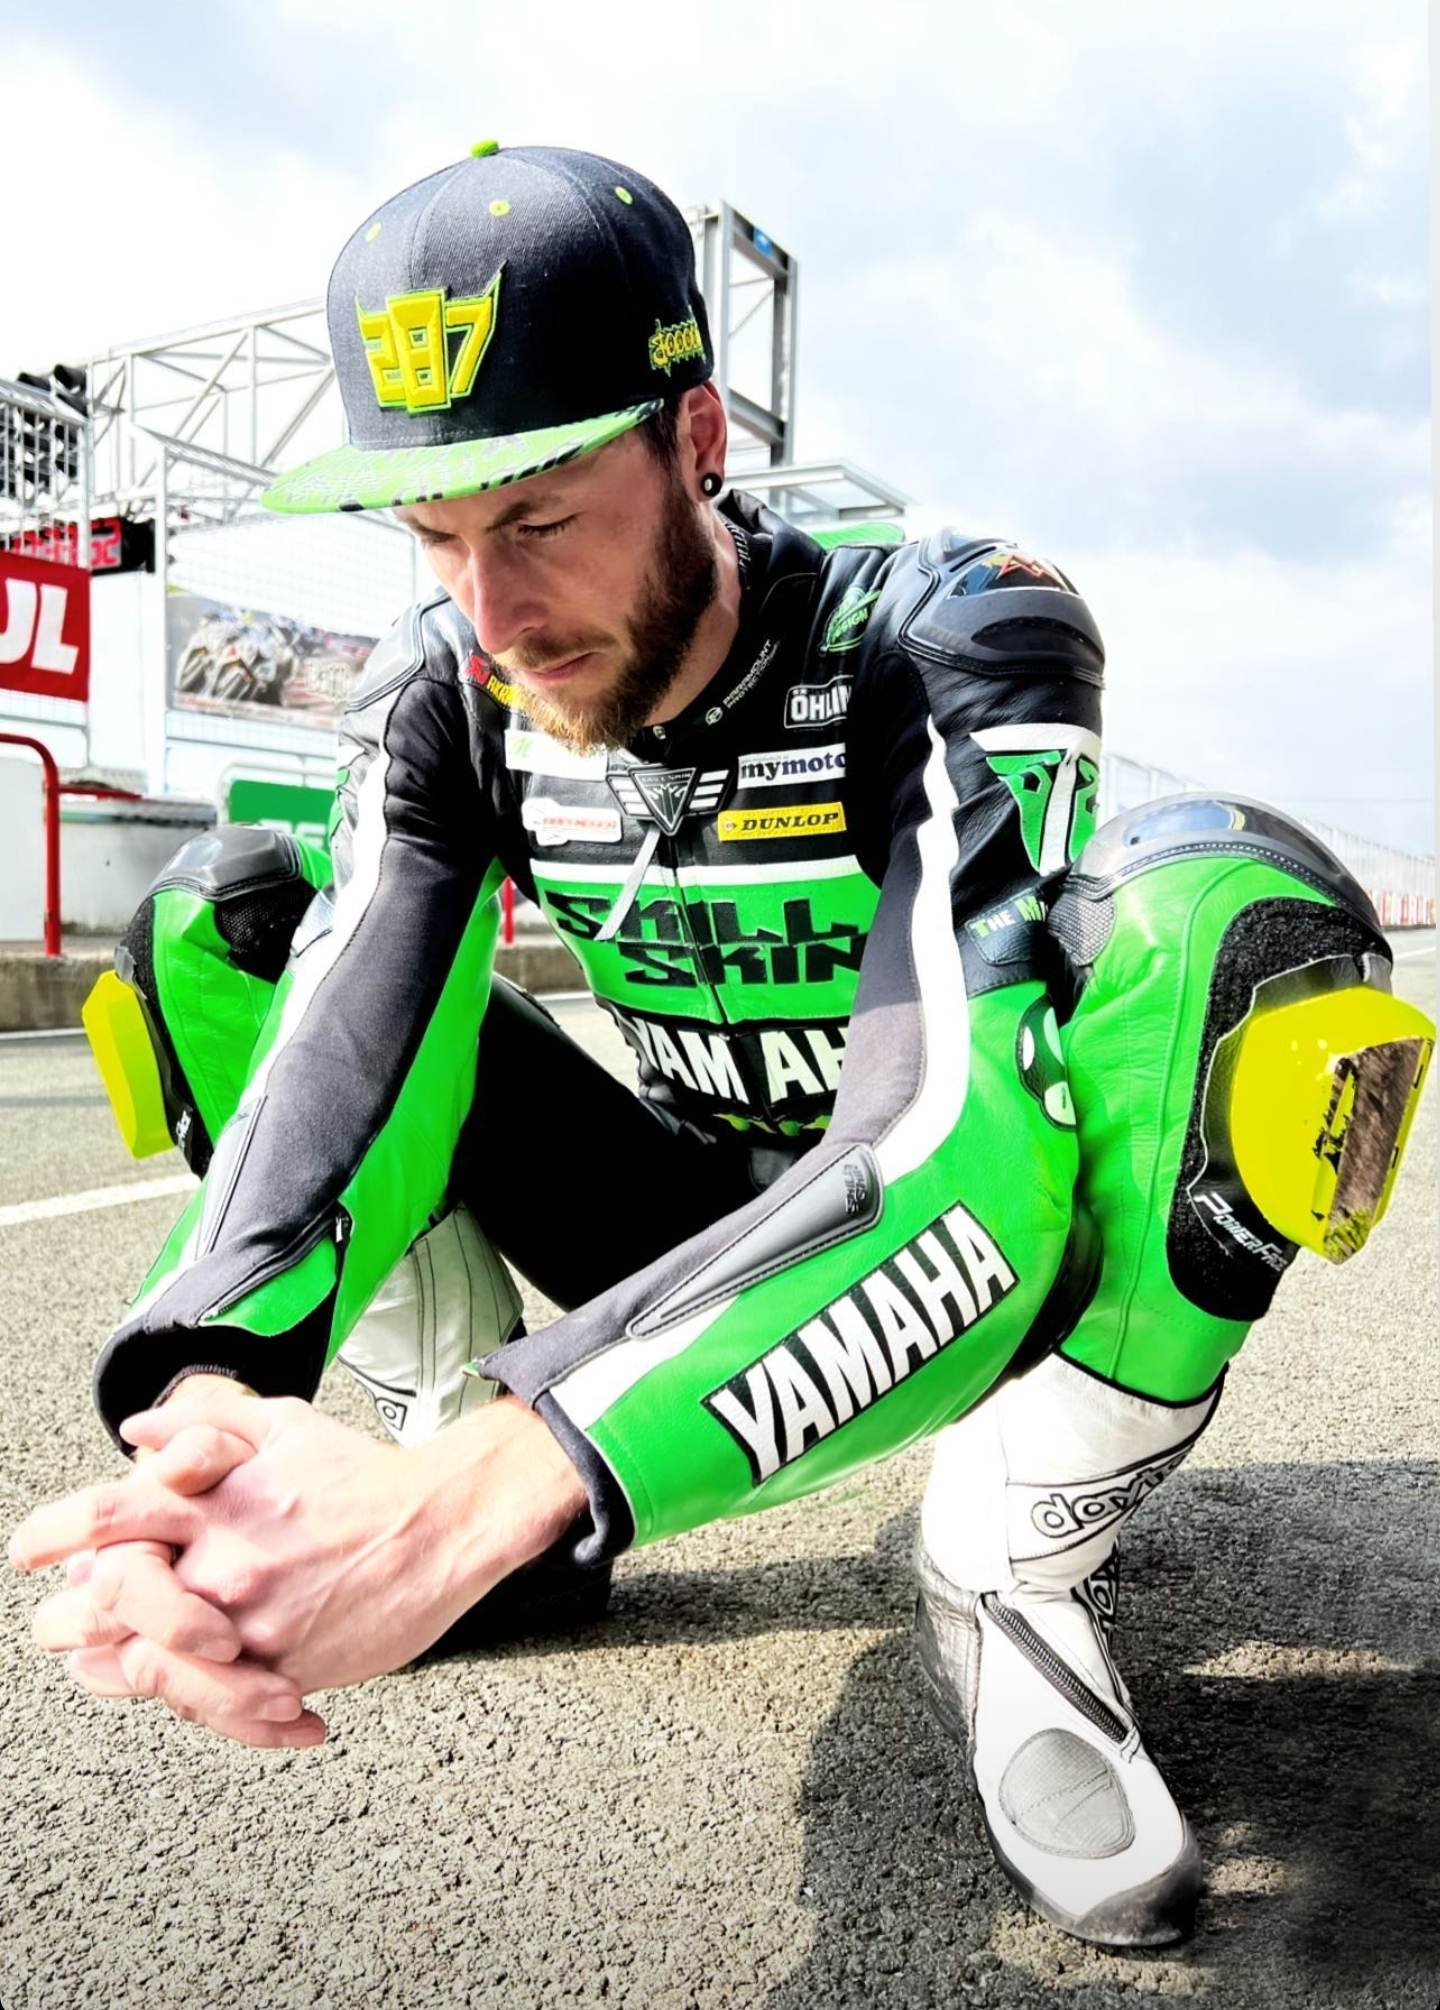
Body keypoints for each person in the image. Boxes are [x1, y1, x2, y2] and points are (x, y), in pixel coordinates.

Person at [10, 143, 1432, 1952]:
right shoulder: (448, 684)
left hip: (988, 1255)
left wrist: (464, 1501)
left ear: (698, 440)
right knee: (222, 927)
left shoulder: (939, 631)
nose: (492, 614)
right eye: (434, 538)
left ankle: (1008, 1561)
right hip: (676, 1230)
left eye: (537, 519)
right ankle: (439, 1435)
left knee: (1243, 921)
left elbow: (962, 1150)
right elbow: (345, 1026)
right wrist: (213, 1393)